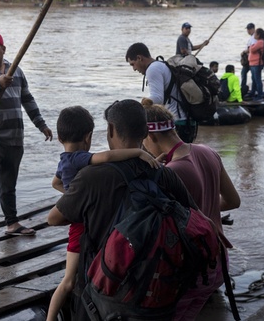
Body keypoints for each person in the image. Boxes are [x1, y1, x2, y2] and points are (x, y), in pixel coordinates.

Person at [47, 99, 197, 320]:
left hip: (104, 288)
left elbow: (55, 219)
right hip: (157, 287)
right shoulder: (164, 173)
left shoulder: (91, 177)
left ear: (110, 130)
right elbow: (193, 219)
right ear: (146, 132)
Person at [141, 98, 241, 320]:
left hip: (194, 268)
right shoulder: (207, 151)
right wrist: (204, 207)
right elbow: (233, 200)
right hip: (218, 262)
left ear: (151, 136)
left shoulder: (171, 172)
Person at [0, 31, 53, 242]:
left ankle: (11, 223)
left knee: (9, 182)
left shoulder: (16, 71)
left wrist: (41, 124)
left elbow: (27, 99)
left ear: (2, 50)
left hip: (15, 136)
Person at [126, 42, 197, 143]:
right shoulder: (161, 65)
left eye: (133, 64)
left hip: (177, 123)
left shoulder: (153, 69)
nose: (134, 69)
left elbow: (158, 98)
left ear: (139, 58)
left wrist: (137, 108)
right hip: (186, 121)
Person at [247, 28, 264, 100]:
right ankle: (253, 92)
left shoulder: (260, 42)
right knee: (254, 79)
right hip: (253, 63)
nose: (254, 35)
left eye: (255, 34)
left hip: (257, 63)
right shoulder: (258, 42)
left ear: (258, 35)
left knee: (257, 79)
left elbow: (252, 49)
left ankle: (260, 95)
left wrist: (250, 47)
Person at [240, 23, 257, 95]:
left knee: (253, 76)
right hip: (248, 59)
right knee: (243, 73)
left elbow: (251, 48)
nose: (248, 31)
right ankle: (243, 88)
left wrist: (244, 51)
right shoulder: (251, 37)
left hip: (252, 60)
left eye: (249, 29)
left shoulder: (254, 37)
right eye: (247, 29)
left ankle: (253, 91)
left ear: (253, 29)